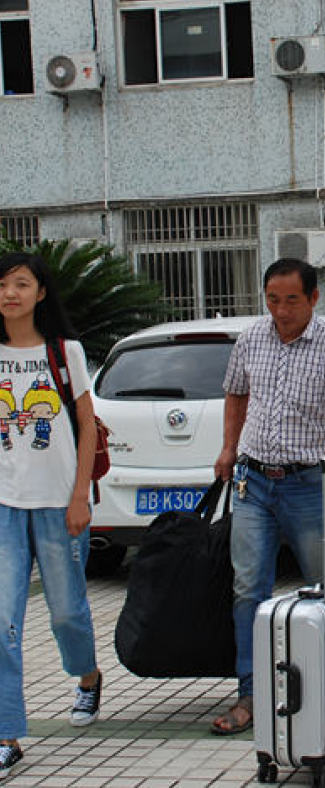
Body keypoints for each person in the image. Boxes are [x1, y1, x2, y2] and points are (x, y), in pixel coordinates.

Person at [210, 258, 325, 736]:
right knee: (247, 588)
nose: (280, 310)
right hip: (253, 482)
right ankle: (252, 693)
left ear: (314, 298)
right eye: (272, 299)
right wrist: (228, 447)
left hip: (307, 484)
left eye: (291, 300)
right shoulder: (252, 338)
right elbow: (236, 394)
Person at [0, 253, 102, 780]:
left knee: (66, 611)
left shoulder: (65, 353)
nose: (9, 293)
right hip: (3, 505)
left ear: (41, 293)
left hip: (60, 500)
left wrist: (80, 494)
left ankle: (86, 678)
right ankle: (7, 733)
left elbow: (87, 426)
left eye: (20, 284)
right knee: (2, 621)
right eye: (2, 285)